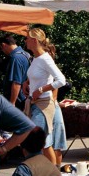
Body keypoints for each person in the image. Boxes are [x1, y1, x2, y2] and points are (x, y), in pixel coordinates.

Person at [24, 28, 66, 165]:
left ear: (34, 40)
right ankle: (51, 174)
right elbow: (39, 76)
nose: (25, 41)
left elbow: (61, 80)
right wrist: (28, 82)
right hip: (36, 103)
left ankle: (52, 174)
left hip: (43, 104)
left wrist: (41, 89)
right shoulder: (36, 58)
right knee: (41, 142)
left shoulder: (44, 58)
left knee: (40, 142)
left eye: (27, 38)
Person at [0, 34, 32, 107]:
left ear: (4, 45)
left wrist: (12, 103)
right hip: (25, 98)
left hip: (18, 101)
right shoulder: (26, 54)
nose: (3, 51)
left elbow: (16, 82)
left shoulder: (16, 58)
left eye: (1, 48)